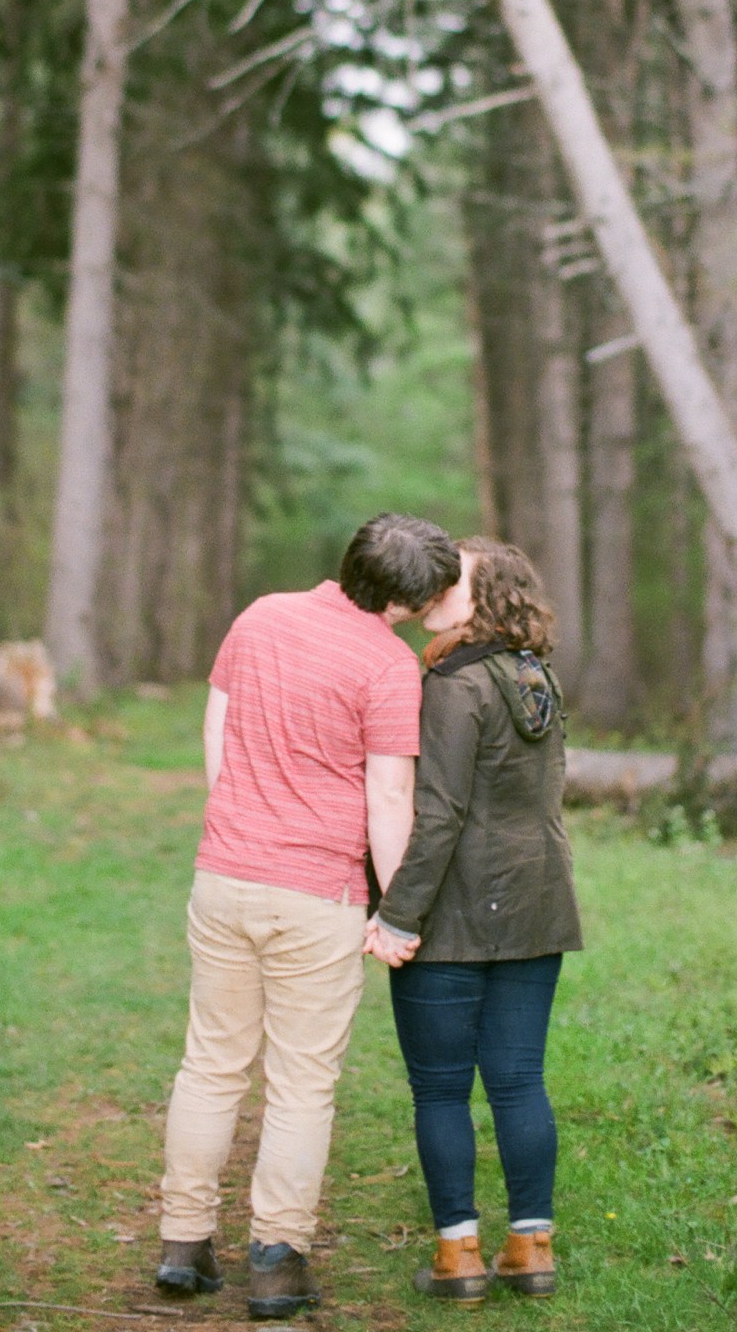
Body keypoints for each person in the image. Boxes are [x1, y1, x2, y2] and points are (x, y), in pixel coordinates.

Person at [156, 512, 461, 1322]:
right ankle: (276, 1260)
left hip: (223, 875)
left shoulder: (260, 615)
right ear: (408, 598)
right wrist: (401, 909)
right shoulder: (387, 667)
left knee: (210, 1064)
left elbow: (216, 732)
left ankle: (182, 1243)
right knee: (300, 1084)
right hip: (316, 895)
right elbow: (389, 797)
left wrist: (237, 821)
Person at [366, 538, 582, 1305]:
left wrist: (395, 915)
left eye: (448, 579)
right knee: (520, 1080)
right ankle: (531, 1245)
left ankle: (457, 1253)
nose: (430, 590)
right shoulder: (536, 675)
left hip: (455, 913)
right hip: (535, 900)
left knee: (441, 1092)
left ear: (485, 595)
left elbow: (439, 815)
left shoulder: (454, 685)